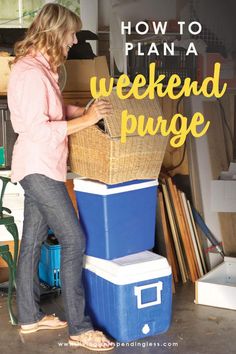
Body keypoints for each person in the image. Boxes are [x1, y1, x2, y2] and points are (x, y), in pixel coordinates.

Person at [7, 3, 114, 351]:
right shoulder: (29, 72)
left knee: (33, 243)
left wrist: (82, 112)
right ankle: (80, 329)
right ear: (55, 32)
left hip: (43, 167)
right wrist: (86, 120)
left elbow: (52, 110)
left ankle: (29, 317)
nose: (72, 41)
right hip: (38, 168)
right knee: (74, 241)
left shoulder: (42, 69)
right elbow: (38, 129)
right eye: (70, 34)